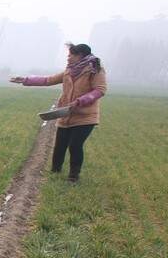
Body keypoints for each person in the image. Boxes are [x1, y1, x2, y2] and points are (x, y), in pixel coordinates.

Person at [10, 43, 107, 182]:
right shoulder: (69, 71)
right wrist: (25, 80)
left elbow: (100, 90)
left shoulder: (95, 70)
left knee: (75, 145)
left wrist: (80, 101)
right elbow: (48, 80)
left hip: (85, 116)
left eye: (70, 55)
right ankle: (55, 172)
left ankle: (73, 177)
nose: (67, 58)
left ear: (80, 56)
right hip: (66, 113)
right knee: (60, 145)